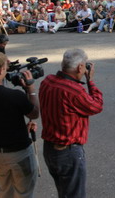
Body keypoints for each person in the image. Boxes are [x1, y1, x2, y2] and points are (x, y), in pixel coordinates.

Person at [39, 49, 103, 198]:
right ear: (80, 67)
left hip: (49, 149)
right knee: (74, 194)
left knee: (64, 191)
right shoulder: (74, 91)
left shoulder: (47, 81)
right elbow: (96, 106)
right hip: (67, 152)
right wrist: (91, 81)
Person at [0, 51, 39, 198]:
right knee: (24, 192)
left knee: (5, 191)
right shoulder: (14, 96)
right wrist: (31, 90)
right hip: (19, 153)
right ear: (0, 70)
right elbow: (34, 113)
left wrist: (22, 130)